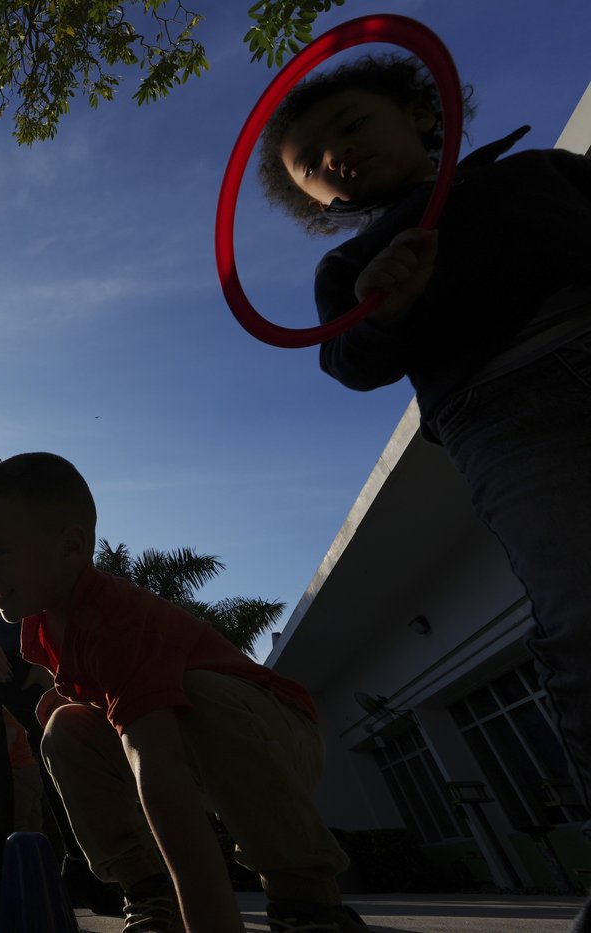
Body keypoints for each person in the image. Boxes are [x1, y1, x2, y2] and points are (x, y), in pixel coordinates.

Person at [258, 54, 591, 932]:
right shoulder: (357, 268)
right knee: (581, 610)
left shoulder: (535, 173)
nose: (336, 155)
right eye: (310, 162)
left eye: (352, 125)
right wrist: (387, 308)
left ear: (422, 114)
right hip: (507, 411)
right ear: (318, 202)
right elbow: (352, 362)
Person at [0, 453, 364, 933]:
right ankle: (151, 894)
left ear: (71, 546)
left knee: (198, 692)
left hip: (278, 739)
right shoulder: (41, 628)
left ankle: (308, 901)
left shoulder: (118, 618)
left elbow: (160, 769)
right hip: (194, 748)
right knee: (64, 725)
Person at [0, 448, 128, 923]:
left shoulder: (25, 528)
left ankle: (86, 868)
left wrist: (45, 660)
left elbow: (48, 593)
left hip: (23, 652)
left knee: (55, 744)